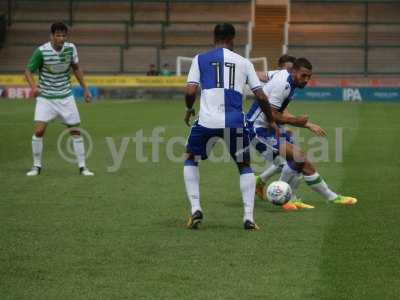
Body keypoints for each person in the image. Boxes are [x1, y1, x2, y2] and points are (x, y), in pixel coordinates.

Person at [183, 23, 278, 230]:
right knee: (244, 166)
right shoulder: (244, 62)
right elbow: (261, 95)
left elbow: (190, 92)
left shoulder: (200, 59)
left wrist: (189, 110)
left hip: (206, 122)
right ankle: (248, 218)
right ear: (233, 38)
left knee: (191, 158)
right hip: (235, 122)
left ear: (214, 37)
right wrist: (270, 119)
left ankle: (196, 209)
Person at [247, 58, 357, 207]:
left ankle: (328, 197)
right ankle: (283, 197)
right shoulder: (283, 85)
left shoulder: (282, 75)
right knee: (295, 158)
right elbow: (271, 114)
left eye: (308, 77)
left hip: (270, 127)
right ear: (293, 71)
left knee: (299, 160)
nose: (306, 80)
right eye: (303, 76)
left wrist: (246, 72)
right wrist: (296, 122)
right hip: (257, 130)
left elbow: (262, 76)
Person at [25, 22, 94, 176]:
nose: (61, 38)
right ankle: (36, 166)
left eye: (63, 35)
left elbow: (76, 68)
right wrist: (34, 87)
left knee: (75, 131)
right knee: (39, 131)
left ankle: (83, 167)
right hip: (46, 98)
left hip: (65, 96)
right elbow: (28, 71)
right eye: (58, 35)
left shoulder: (71, 48)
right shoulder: (41, 51)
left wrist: (85, 89)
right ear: (51, 36)